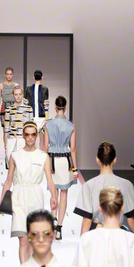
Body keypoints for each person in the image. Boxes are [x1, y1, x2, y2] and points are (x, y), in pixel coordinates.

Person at [0, 121, 57, 263]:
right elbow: (9, 180)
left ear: (36, 135)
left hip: (36, 197)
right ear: (23, 135)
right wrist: (1, 201)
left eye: (33, 134)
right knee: (23, 240)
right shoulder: (15, 155)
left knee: (32, 239)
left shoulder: (43, 156)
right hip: (18, 197)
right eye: (27, 134)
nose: (30, 137)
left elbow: (50, 180)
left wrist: (54, 197)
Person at [74, 141, 134, 234]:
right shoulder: (126, 184)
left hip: (96, 232)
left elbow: (87, 220)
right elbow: (131, 218)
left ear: (97, 160)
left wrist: (83, 241)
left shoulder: (89, 185)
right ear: (115, 160)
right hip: (117, 233)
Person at [44, 96, 78, 240]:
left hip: (52, 161)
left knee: (54, 194)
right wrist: (75, 169)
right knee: (64, 194)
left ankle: (53, 221)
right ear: (66, 107)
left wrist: (43, 165)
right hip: (65, 161)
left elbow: (45, 147)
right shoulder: (71, 125)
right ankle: (59, 228)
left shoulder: (48, 124)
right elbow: (73, 149)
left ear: (55, 107)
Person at [3, 86, 33, 169]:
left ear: (22, 94)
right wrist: (5, 145)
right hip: (11, 141)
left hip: (23, 141)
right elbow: (6, 129)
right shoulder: (8, 110)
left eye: (20, 94)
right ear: (13, 95)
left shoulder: (28, 109)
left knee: (23, 168)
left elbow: (31, 128)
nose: (18, 96)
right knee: (11, 168)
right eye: (16, 94)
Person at [24, 70, 49, 148]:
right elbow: (46, 105)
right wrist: (47, 119)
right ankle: (40, 154)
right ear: (42, 77)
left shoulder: (28, 89)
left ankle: (32, 153)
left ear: (33, 77)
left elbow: (25, 104)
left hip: (31, 116)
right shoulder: (45, 89)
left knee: (31, 137)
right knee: (42, 138)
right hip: (42, 117)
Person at [0, 67, 19, 138]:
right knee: (5, 130)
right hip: (4, 108)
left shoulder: (16, 85)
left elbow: (18, 99)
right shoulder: (0, 85)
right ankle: (6, 145)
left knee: (13, 130)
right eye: (7, 74)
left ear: (13, 75)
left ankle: (12, 145)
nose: (9, 76)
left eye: (10, 74)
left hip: (14, 108)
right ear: (5, 75)